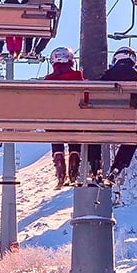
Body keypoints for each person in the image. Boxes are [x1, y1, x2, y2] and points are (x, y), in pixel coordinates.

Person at [96, 46, 137, 185]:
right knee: (133, 139)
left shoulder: (107, 76)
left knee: (92, 134)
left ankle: (95, 164)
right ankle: (118, 166)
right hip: (127, 125)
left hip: (103, 123)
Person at [40, 46, 83, 189]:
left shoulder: (48, 80)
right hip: (75, 120)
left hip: (54, 121)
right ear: (71, 61)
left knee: (54, 131)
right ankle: (74, 154)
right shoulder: (78, 77)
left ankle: (58, 157)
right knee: (76, 133)